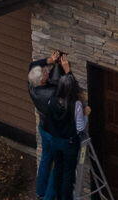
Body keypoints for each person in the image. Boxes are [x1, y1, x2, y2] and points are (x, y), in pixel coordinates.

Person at [30, 50, 82, 200]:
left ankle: (40, 191)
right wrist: (67, 72)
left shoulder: (31, 85)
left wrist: (49, 60)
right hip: (54, 133)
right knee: (58, 169)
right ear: (42, 81)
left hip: (46, 129)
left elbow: (32, 65)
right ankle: (49, 197)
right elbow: (70, 91)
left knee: (47, 159)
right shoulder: (51, 96)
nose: (47, 72)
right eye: (45, 73)